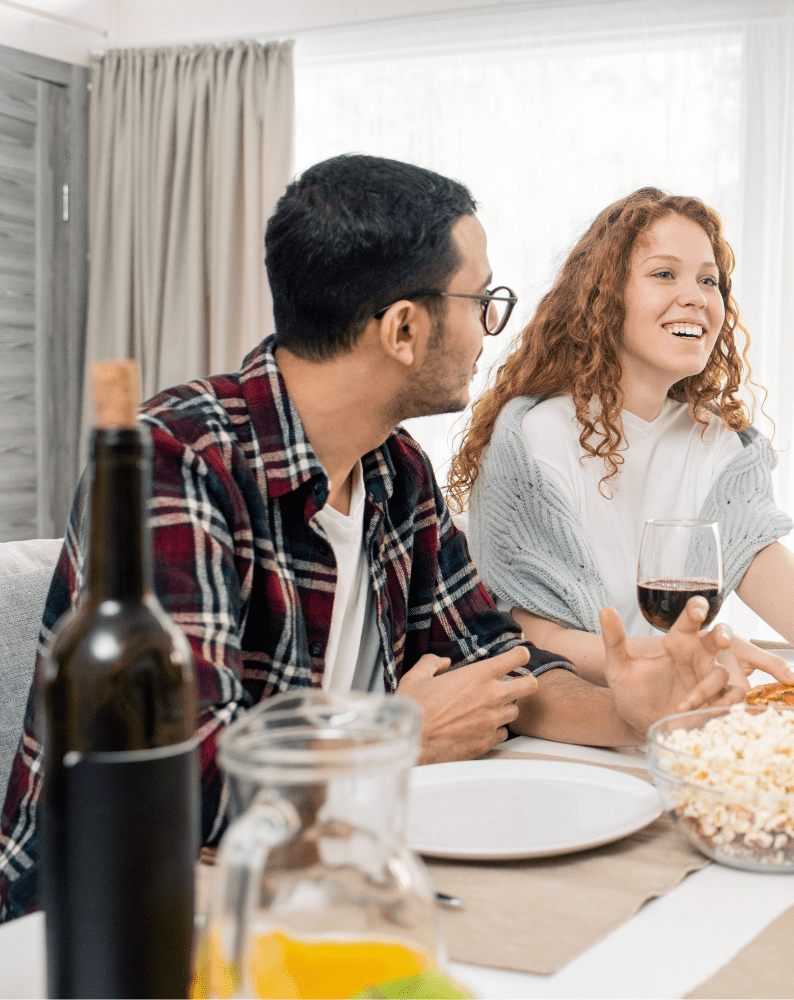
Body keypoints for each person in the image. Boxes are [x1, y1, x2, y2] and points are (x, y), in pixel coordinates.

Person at [0, 156, 741, 921]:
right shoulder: (174, 461)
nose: (491, 327)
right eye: (482, 301)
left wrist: (628, 712)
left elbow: (493, 659)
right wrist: (396, 737)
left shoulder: (395, 469)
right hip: (110, 910)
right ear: (404, 328)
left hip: (309, 872)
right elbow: (185, 783)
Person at [447, 187, 794, 698]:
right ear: (604, 297)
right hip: (567, 719)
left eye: (709, 280)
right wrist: (671, 662)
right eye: (664, 274)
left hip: (682, 708)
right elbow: (532, 635)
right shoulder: (534, 436)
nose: (697, 297)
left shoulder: (718, 441)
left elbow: (754, 549)